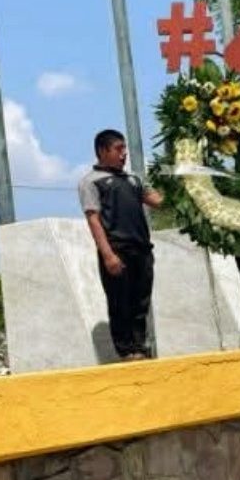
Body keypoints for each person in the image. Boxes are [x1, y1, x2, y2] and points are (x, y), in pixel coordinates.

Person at [78, 130, 163, 360]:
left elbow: (156, 201)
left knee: (141, 301)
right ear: (102, 151)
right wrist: (108, 255)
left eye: (124, 148)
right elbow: (93, 219)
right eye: (118, 149)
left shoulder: (133, 179)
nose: (124, 154)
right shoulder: (91, 182)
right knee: (120, 302)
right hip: (117, 249)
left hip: (142, 249)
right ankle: (126, 350)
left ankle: (139, 347)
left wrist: (180, 188)